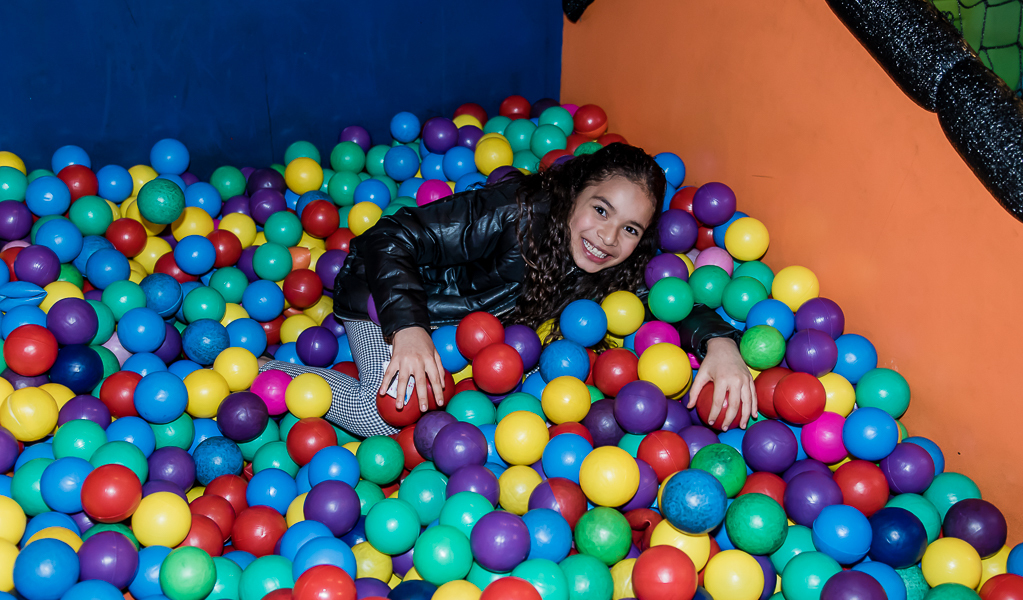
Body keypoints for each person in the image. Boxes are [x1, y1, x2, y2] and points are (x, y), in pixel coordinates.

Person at [269, 142, 757, 437]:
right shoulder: (515, 212)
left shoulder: (619, 265)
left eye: (630, 229)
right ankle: (265, 374)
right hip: (384, 296)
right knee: (388, 413)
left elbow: (667, 300)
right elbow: (385, 238)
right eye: (601, 210)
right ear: (574, 193)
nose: (608, 238)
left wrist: (720, 343)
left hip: (468, 342)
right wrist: (409, 330)